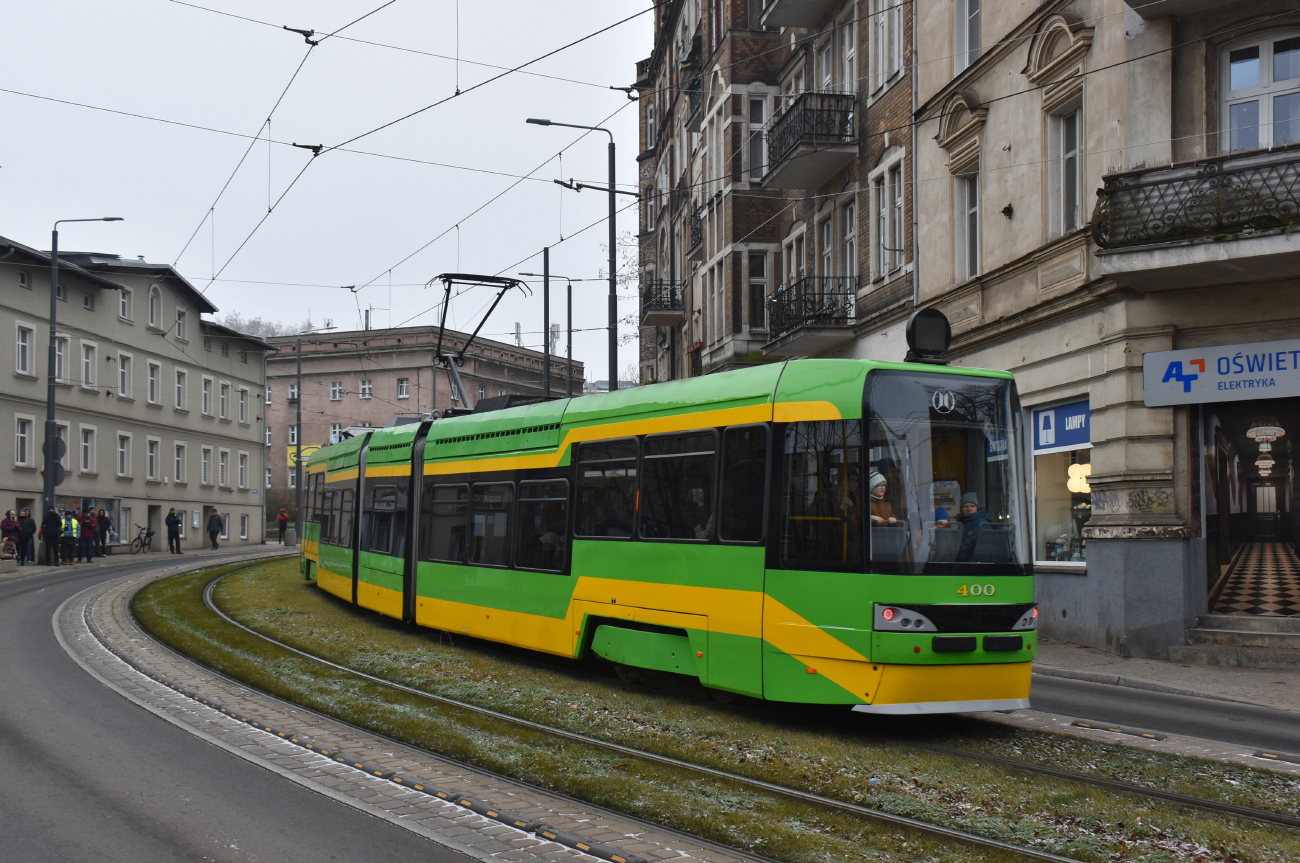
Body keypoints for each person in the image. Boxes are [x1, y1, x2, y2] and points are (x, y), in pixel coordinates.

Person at [957, 493, 994, 560]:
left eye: (972, 506)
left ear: (977, 508)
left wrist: (954, 557)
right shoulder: (964, 522)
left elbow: (968, 545)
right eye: (965, 506)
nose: (969, 509)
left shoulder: (979, 523)